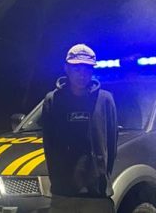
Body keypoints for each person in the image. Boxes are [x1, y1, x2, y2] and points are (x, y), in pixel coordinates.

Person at [42, 44, 118, 213]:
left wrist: (101, 174)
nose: (82, 74)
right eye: (76, 68)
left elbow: (111, 146)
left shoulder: (105, 100)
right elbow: (49, 145)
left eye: (87, 69)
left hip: (97, 193)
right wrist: (58, 178)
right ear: (66, 68)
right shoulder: (52, 100)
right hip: (63, 193)